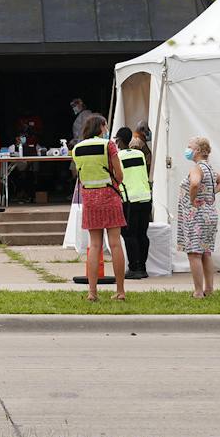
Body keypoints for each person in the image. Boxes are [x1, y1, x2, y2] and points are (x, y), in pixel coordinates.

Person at [71, 114, 127, 302]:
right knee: (115, 244)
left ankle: (92, 292)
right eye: (106, 126)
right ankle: (120, 291)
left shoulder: (77, 149)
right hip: (110, 196)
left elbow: (79, 175)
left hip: (90, 199)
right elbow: (119, 174)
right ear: (101, 127)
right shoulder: (108, 145)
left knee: (94, 245)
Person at [178, 135, 220, 298]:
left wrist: (193, 200)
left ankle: (198, 291)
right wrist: (209, 194)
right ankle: (209, 289)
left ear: (198, 150)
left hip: (197, 216)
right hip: (210, 214)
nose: (187, 149)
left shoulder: (197, 169)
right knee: (206, 252)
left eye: (189, 146)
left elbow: (194, 183)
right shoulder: (210, 168)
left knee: (194, 253)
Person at [115, 127, 152, 280]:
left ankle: (134, 267)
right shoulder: (140, 154)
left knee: (129, 234)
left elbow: (117, 176)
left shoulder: (118, 156)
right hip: (145, 197)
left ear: (118, 140)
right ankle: (142, 267)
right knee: (142, 234)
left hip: (129, 199)